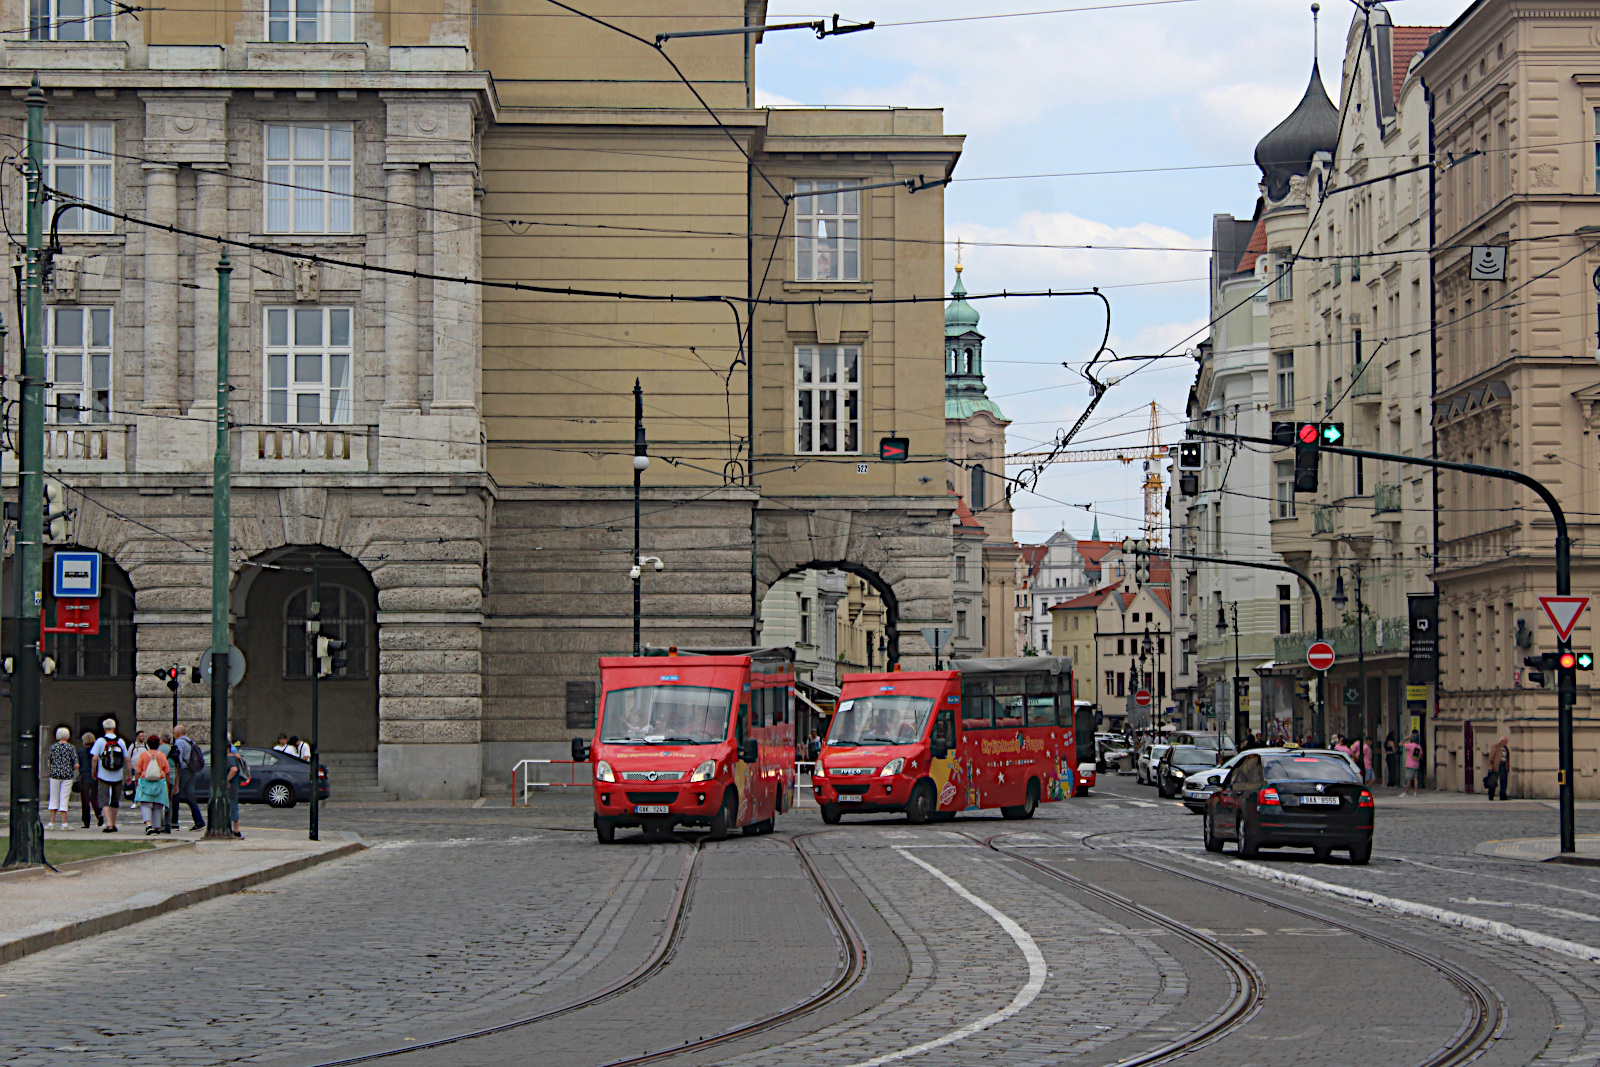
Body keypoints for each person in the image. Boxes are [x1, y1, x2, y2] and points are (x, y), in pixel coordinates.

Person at [90, 719, 131, 832]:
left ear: (104, 728)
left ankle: (109, 824)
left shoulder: (100, 741)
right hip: (117, 775)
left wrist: (94, 771)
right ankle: (113, 822)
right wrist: (128, 774)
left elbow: (94, 758)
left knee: (104, 799)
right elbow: (127, 759)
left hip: (103, 775)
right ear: (115, 727)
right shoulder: (120, 741)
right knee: (115, 800)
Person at [131, 736, 171, 836]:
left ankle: (148, 825)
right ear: (159, 744)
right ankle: (156, 826)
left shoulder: (144, 755)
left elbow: (138, 771)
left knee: (145, 804)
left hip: (145, 781)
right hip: (159, 782)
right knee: (158, 805)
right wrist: (167, 785)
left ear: (148, 744)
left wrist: (136, 782)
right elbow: (167, 771)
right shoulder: (162, 755)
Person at [170, 725, 206, 831]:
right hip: (191, 771)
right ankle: (199, 822)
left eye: (174, 733)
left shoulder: (179, 742)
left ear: (177, 733)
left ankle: (173, 822)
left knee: (175, 795)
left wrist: (177, 772)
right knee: (190, 797)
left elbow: (178, 758)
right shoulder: (190, 742)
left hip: (184, 771)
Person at [45, 726, 77, 831]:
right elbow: (76, 764)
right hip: (67, 775)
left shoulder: (53, 747)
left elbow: (49, 763)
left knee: (53, 797)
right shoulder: (71, 748)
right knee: (64, 798)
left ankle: (51, 823)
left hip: (54, 774)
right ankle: (64, 824)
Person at [78, 731, 103, 828]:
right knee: (95, 798)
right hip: (96, 775)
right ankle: (99, 814)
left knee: (85, 800)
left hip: (85, 776)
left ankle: (86, 821)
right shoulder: (97, 751)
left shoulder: (80, 752)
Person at [225, 743, 250, 837]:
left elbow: (234, 769)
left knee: (232, 805)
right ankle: (235, 829)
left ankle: (235, 829)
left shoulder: (229, 758)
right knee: (232, 804)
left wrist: (226, 780)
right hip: (233, 785)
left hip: (230, 786)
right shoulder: (233, 758)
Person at [1486, 735, 1510, 800]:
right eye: (1505, 741)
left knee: (1504, 781)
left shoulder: (1505, 748)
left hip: (1503, 765)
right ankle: (1491, 795)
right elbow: (1492, 756)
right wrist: (1491, 766)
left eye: (1507, 741)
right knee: (1493, 781)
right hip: (1496, 766)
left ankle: (1503, 796)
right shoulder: (1496, 746)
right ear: (1502, 741)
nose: (1506, 743)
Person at [1401, 731, 1423, 796]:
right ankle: (1415, 792)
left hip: (1410, 764)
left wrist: (1405, 739)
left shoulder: (1409, 745)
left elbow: (1400, 744)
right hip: (1416, 764)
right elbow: (1421, 755)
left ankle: (1406, 792)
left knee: (1409, 779)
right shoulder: (1418, 746)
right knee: (1415, 779)